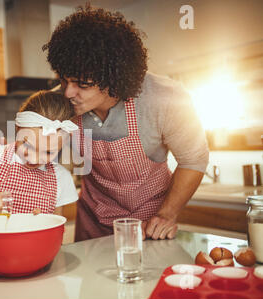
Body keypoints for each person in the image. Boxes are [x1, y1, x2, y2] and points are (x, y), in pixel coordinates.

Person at [41, 5, 209, 241]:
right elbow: (32, 153)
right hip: (94, 223)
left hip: (150, 224)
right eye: (63, 79)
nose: (68, 92)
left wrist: (166, 215)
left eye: (82, 84)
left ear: (114, 79)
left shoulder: (165, 97)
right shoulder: (57, 104)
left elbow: (194, 159)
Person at [0, 90, 79, 215]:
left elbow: (56, 226)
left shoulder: (61, 178)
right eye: (28, 146)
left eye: (48, 152)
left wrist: (43, 222)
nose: (34, 159)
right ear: (17, 129)